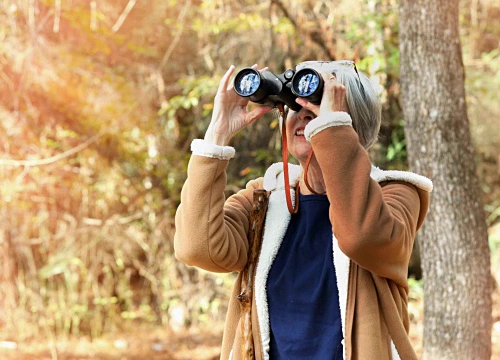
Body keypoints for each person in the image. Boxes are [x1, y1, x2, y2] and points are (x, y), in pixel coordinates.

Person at [173, 61, 432, 360]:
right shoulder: (263, 200)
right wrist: (217, 134)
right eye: (295, 106)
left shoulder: (396, 194)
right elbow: (197, 247)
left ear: (354, 124)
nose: (306, 114)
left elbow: (360, 236)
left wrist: (331, 132)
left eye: (320, 106)